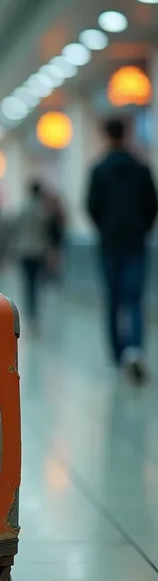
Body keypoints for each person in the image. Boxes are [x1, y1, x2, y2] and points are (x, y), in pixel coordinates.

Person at [86, 118, 157, 384]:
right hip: (136, 242)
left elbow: (91, 205)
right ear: (126, 134)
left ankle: (118, 354)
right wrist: (142, 228)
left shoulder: (99, 170)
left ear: (106, 135)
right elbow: (152, 204)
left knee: (113, 300)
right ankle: (135, 349)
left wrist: (105, 228)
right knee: (135, 299)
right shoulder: (141, 168)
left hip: (110, 244)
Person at [14, 180, 51, 332]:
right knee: (36, 283)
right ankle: (35, 313)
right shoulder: (43, 211)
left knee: (27, 284)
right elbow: (48, 232)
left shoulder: (23, 209)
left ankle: (29, 313)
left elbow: (16, 229)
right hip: (39, 251)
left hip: (24, 251)